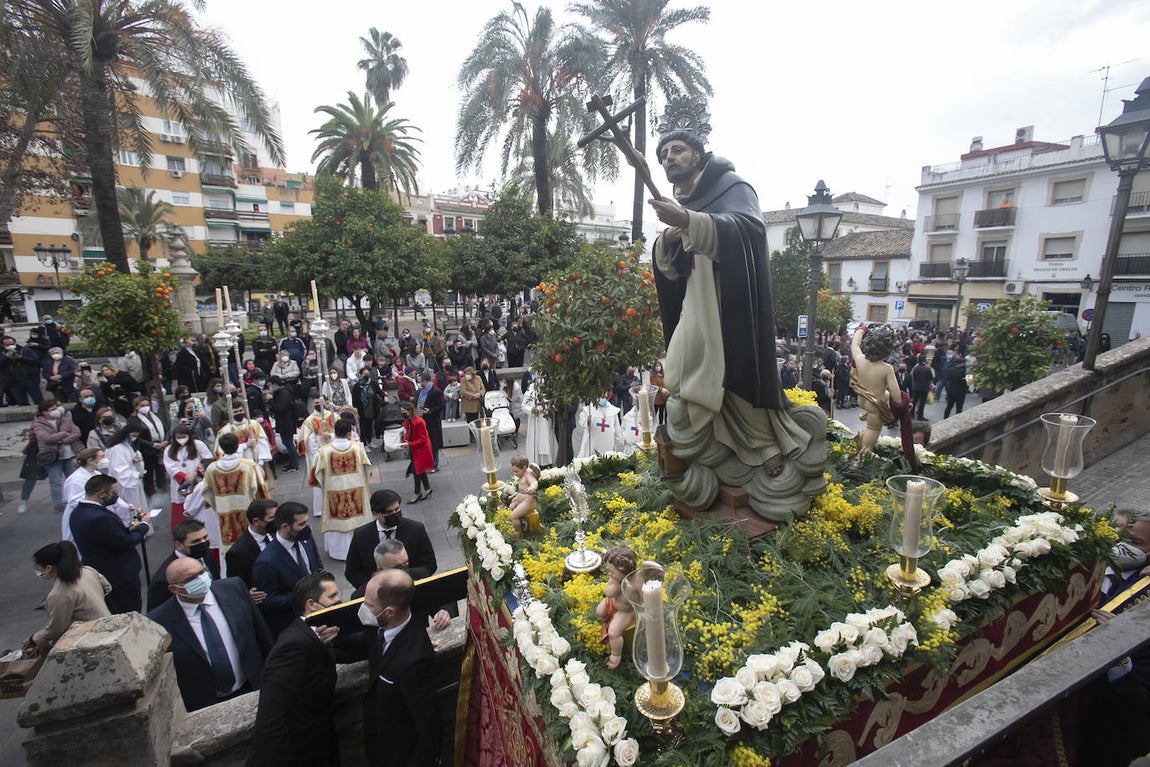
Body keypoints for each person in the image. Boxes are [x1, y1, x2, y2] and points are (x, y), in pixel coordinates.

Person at [648, 98, 825, 522]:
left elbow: (749, 231)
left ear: (698, 153)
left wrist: (692, 221)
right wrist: (670, 240)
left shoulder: (733, 187)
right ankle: (713, 459)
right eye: (663, 154)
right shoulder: (684, 198)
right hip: (697, 306)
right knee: (683, 382)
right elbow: (673, 267)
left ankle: (765, 448)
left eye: (677, 150)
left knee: (734, 383)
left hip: (732, 311)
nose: (669, 159)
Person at [146, 558, 272, 712]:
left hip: (253, 687)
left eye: (202, 572)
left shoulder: (234, 588)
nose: (201, 579)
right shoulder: (158, 622)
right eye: (191, 579)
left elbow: (262, 636)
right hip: (205, 706)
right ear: (174, 589)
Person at [247, 572, 342, 767]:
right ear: (311, 605)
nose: (339, 601)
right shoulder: (293, 645)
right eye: (332, 597)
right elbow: (271, 717)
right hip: (298, 752)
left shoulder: (320, 634)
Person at [359, 568, 442, 767]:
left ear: (389, 612)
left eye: (369, 605)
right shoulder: (379, 629)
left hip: (400, 754)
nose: (363, 608)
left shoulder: (413, 661)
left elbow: (428, 720)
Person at [69, 474, 150, 613]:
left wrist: (128, 529)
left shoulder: (77, 512)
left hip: (101, 570)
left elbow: (107, 536)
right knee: (129, 612)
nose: (115, 496)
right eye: (113, 493)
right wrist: (143, 527)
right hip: (119, 575)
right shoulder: (99, 517)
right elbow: (124, 542)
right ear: (102, 494)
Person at [23, 540, 111, 654]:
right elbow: (107, 588)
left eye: (38, 568)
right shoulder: (87, 571)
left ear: (48, 568)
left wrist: (33, 639)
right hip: (107, 625)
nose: (38, 571)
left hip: (90, 640)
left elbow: (55, 629)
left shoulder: (60, 593)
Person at [253, 501, 325, 637]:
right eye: (301, 524)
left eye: (306, 522)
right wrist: (303, 596)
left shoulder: (305, 538)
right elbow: (268, 601)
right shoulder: (267, 562)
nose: (306, 528)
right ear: (285, 526)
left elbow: (316, 563)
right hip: (293, 624)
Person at [345, 488, 437, 591]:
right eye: (389, 512)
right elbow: (352, 571)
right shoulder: (361, 535)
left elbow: (430, 565)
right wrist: (374, 585)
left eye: (397, 509)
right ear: (376, 513)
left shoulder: (415, 529)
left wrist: (404, 576)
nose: (395, 514)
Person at [850, 326, 917, 468]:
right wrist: (904, 403)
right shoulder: (886, 368)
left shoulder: (860, 359)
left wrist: (861, 330)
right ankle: (863, 455)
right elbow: (897, 396)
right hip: (875, 404)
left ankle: (862, 449)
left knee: (869, 428)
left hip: (862, 399)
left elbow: (854, 345)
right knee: (873, 429)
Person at [308, 418, 372, 560]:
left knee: (338, 518)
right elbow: (368, 468)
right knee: (357, 521)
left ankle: (338, 552)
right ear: (349, 433)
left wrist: (325, 485)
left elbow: (315, 474)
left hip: (333, 492)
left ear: (334, 432)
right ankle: (359, 549)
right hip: (357, 490)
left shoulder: (324, 451)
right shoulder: (357, 448)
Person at [202, 431, 267, 557]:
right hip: (246, 509)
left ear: (221, 448)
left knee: (229, 546)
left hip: (224, 513)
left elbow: (207, 492)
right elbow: (260, 489)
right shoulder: (249, 466)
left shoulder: (212, 468)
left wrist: (216, 504)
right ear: (238, 446)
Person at [146, 519, 221, 611]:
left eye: (205, 537)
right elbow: (157, 613)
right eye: (195, 541)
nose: (203, 543)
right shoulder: (163, 580)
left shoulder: (205, 554)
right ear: (177, 545)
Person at [163, 424, 213, 533]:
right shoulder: (169, 450)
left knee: (199, 503)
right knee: (180, 509)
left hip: (197, 479)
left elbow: (207, 459)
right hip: (181, 483)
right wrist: (184, 476)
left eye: (184, 436)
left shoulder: (198, 445)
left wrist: (196, 473)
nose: (181, 440)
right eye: (179, 437)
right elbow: (170, 466)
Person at [596, 545, 637, 670]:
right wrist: (613, 581)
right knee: (599, 611)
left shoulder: (630, 586)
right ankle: (608, 617)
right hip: (613, 601)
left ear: (623, 571)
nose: (609, 574)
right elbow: (608, 592)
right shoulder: (615, 578)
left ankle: (616, 655)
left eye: (612, 572)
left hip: (626, 610)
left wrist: (615, 587)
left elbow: (610, 592)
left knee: (613, 632)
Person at [225, 499, 278, 591]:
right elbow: (236, 586)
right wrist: (247, 594)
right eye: (272, 518)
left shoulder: (277, 534)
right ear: (256, 521)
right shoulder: (238, 552)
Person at [126, 395, 168, 499]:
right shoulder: (133, 420)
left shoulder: (155, 416)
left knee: (161, 473)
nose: (145, 407)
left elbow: (165, 428)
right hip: (146, 450)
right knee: (148, 474)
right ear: (136, 407)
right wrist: (153, 445)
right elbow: (136, 437)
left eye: (147, 405)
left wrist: (165, 441)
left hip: (160, 449)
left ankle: (163, 493)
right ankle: (151, 495)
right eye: (142, 405)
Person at [399, 401, 434, 504]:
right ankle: (427, 489)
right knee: (420, 469)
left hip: (421, 449)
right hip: (416, 449)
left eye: (404, 411)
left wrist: (408, 444)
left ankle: (417, 493)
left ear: (410, 411)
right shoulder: (408, 421)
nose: (402, 413)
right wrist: (405, 441)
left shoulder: (419, 422)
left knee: (416, 471)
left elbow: (422, 439)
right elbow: (408, 433)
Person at [266, 376, 300, 473]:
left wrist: (271, 400)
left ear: (275, 384)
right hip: (284, 422)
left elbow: (280, 408)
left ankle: (294, 464)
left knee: (288, 443)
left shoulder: (284, 394)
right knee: (287, 442)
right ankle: (293, 462)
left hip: (286, 422)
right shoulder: (281, 393)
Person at [522, 374, 557, 467]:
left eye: (542, 377)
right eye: (539, 376)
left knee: (545, 439)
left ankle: (546, 462)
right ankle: (535, 462)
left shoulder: (547, 389)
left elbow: (551, 403)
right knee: (536, 440)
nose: (540, 379)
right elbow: (523, 405)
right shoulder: (531, 389)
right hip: (535, 421)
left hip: (545, 420)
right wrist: (531, 409)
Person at [415, 370, 444, 470]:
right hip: (420, 420)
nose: (419, 384)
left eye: (420, 382)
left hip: (432, 421)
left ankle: (435, 463)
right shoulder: (419, 391)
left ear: (425, 381)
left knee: (433, 442)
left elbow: (441, 406)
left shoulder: (436, 392)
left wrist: (430, 411)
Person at [508, 455, 541, 534]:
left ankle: (518, 533)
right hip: (521, 500)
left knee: (513, 516)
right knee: (511, 506)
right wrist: (517, 497)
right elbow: (522, 488)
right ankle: (523, 523)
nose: (515, 474)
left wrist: (532, 488)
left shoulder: (528, 474)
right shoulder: (523, 474)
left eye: (516, 471)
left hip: (528, 502)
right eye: (513, 471)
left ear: (524, 467)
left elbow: (534, 482)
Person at [910, 354, 935, 420]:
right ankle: (920, 416)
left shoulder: (915, 368)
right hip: (924, 387)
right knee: (922, 402)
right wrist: (931, 387)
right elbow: (931, 379)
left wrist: (913, 386)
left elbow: (912, 378)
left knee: (914, 401)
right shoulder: (927, 369)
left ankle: (911, 413)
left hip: (916, 387)